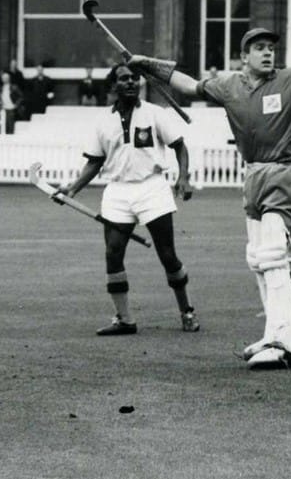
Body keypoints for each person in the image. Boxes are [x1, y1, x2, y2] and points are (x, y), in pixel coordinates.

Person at [126, 4, 291, 370]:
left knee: (272, 255)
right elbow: (189, 85)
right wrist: (149, 64)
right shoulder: (229, 86)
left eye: (271, 47)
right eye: (260, 48)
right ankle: (273, 334)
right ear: (244, 56)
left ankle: (284, 343)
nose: (268, 52)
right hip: (252, 174)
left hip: (282, 172)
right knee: (257, 258)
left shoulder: (290, 80)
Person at [55, 64, 199, 335]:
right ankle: (124, 319)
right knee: (112, 253)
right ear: (113, 86)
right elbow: (94, 163)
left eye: (135, 78)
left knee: (167, 255)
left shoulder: (156, 113)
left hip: (151, 188)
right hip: (118, 192)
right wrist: (72, 189)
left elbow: (180, 146)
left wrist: (184, 179)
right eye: (124, 79)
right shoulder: (103, 122)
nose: (131, 82)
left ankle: (187, 311)